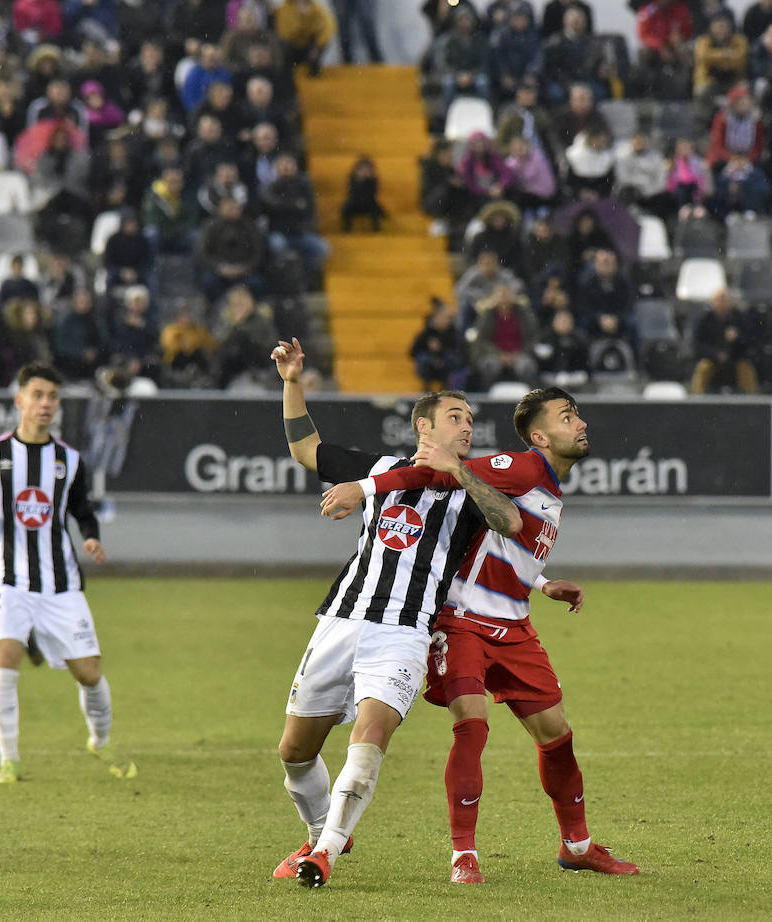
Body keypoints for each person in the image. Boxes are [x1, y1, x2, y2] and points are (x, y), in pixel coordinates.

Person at [322, 386, 640, 884]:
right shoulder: (525, 467)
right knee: (472, 723)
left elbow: (496, 540)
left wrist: (541, 582)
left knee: (557, 735)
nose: (580, 424)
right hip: (461, 620)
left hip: (513, 625)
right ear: (540, 437)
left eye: (577, 415)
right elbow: (437, 473)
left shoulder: (548, 485)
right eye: (567, 417)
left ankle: (577, 846)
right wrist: (366, 488)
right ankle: (463, 855)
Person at [267, 337, 522, 888]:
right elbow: (306, 449)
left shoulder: (472, 487)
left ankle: (324, 855)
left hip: (404, 631)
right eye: (455, 417)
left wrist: (462, 473)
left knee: (370, 735)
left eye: (471, 419)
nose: (468, 426)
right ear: (423, 427)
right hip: (342, 619)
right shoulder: (380, 468)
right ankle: (322, 832)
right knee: (294, 751)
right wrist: (292, 382)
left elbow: (510, 521)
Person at [0, 363, 134, 785]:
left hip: (60, 585)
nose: (45, 403)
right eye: (38, 395)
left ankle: (101, 741)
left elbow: (82, 509)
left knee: (89, 673)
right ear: (20, 400)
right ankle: (8, 760)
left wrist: (91, 537)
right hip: (8, 581)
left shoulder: (69, 460)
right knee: (5, 656)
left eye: (52, 397)